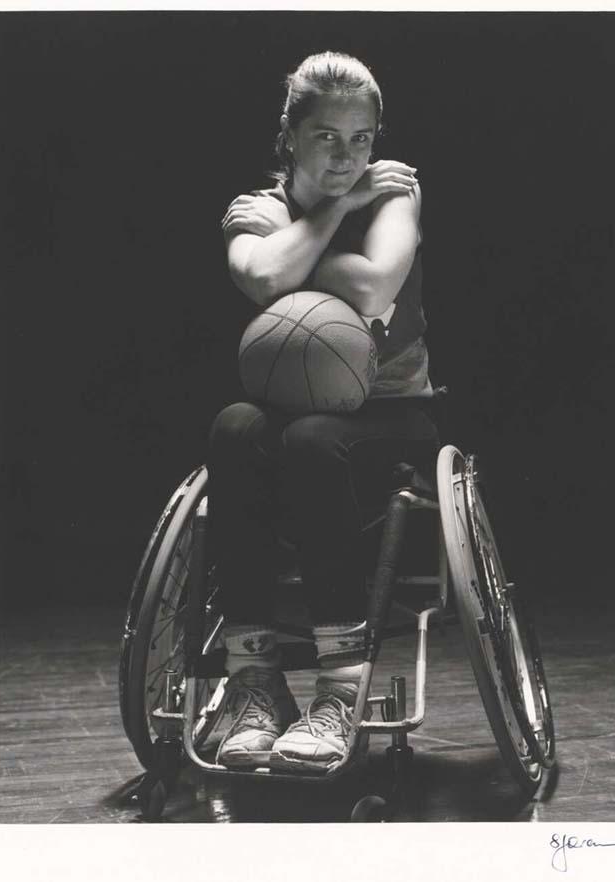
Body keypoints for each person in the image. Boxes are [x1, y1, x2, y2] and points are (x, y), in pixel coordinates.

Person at [209, 51, 439, 774]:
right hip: (294, 413)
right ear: (290, 137)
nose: (348, 156)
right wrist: (338, 210)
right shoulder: (256, 208)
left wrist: (300, 245)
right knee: (234, 425)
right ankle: (253, 682)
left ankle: (340, 687)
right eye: (326, 137)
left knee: (311, 439)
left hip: (392, 414)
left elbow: (370, 293)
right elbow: (262, 277)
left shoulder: (395, 194)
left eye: (361, 138)